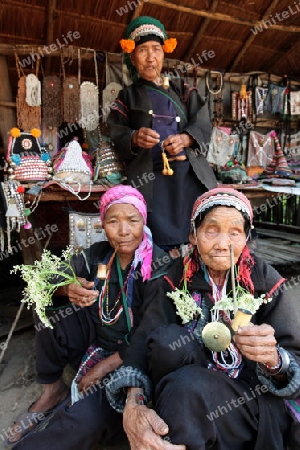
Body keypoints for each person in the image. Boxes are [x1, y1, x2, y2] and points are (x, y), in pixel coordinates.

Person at [106, 187, 300, 450]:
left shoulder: (267, 282)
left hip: (250, 408)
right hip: (187, 395)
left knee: (188, 388)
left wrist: (275, 360)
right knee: (167, 343)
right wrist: (133, 404)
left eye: (234, 232)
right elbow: (142, 343)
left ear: (246, 238)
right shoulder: (170, 279)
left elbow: (295, 361)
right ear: (193, 236)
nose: (222, 244)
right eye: (211, 230)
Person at [7, 185, 173, 449]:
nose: (123, 230)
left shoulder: (157, 266)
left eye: (133, 220)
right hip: (95, 342)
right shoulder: (99, 255)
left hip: (133, 361)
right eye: (113, 221)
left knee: (84, 419)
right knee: (48, 310)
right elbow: (44, 280)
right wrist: (67, 288)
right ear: (102, 224)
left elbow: (150, 332)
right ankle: (52, 392)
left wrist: (104, 367)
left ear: (144, 221)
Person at [107, 16, 217, 254]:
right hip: (151, 181)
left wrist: (186, 138)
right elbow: (116, 131)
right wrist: (135, 137)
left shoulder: (182, 89)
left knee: (199, 235)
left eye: (156, 49)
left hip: (188, 178)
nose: (150, 57)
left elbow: (203, 119)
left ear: (164, 53)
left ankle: (195, 284)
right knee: (157, 244)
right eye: (143, 50)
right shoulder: (127, 96)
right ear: (133, 57)